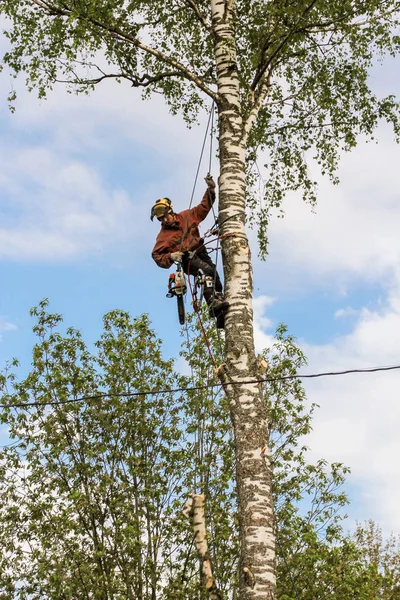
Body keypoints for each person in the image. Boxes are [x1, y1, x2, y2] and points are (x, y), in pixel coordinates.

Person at [151, 174, 229, 327]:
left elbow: (203, 207)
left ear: (170, 211)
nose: (164, 220)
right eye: (161, 219)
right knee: (206, 271)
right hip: (187, 258)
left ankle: (220, 315)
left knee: (214, 274)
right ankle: (213, 304)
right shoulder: (163, 236)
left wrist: (211, 189)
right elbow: (156, 255)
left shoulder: (187, 216)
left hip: (200, 250)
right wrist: (172, 256)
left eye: (165, 217)